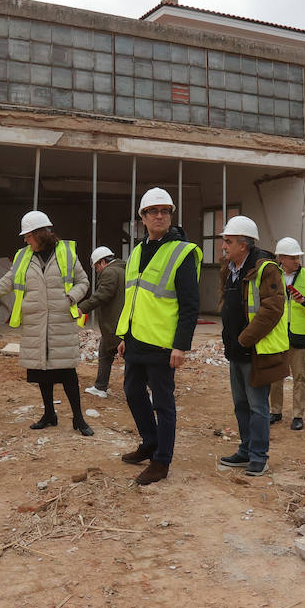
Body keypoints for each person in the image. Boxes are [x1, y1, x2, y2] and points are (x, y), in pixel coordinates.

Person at [0, 211, 93, 435]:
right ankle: (49, 414)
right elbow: (4, 284)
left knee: (67, 374)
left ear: (41, 234)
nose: (25, 240)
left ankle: (79, 419)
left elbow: (83, 281)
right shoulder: (23, 257)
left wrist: (71, 297)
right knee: (42, 373)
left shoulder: (67, 253)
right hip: (35, 325)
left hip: (61, 323)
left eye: (28, 236)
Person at [116, 188, 200, 486]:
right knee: (133, 393)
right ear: (143, 217)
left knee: (163, 404)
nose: (160, 215)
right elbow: (133, 297)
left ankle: (161, 461)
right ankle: (150, 441)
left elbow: (190, 304)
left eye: (165, 210)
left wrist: (181, 345)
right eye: (154, 211)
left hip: (164, 343)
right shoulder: (138, 251)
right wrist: (125, 334)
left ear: (171, 215)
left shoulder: (183, 252)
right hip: (137, 338)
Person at [217, 216, 289, 476]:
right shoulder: (230, 269)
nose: (223, 246)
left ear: (243, 245)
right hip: (236, 349)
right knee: (240, 403)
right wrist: (229, 340)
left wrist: (244, 340)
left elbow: (272, 310)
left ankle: (259, 456)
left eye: (228, 241)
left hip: (256, 350)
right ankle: (245, 450)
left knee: (258, 407)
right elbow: (227, 305)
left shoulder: (266, 269)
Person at [269, 237, 305, 431]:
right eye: (292, 257)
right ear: (281, 258)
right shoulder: (272, 275)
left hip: (299, 335)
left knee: (300, 377)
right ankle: (275, 411)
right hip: (278, 333)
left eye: (298, 257)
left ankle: (298, 415)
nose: (297, 261)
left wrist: (304, 301)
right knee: (275, 376)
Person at [76, 246, 125, 399]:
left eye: (96, 267)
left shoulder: (110, 272)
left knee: (133, 361)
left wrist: (82, 308)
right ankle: (100, 387)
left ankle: (154, 391)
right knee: (104, 352)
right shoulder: (124, 269)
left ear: (103, 262)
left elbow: (102, 295)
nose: (97, 271)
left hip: (116, 324)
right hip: (119, 323)